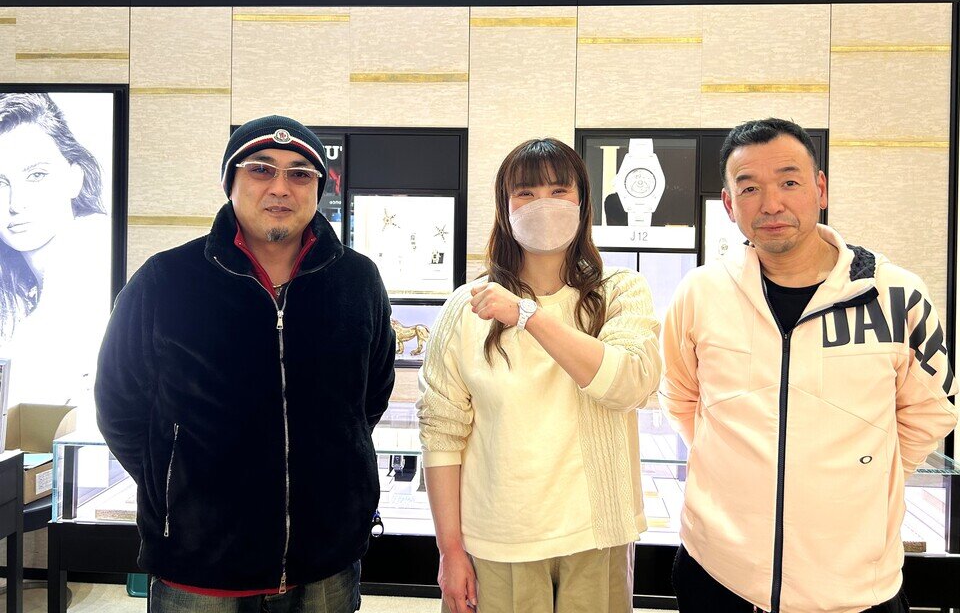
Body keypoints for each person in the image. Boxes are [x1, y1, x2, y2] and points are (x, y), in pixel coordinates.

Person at [95, 114, 395, 613]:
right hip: (199, 563)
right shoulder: (167, 280)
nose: (280, 187)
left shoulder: (357, 281)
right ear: (229, 182)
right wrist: (177, 490)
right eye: (261, 169)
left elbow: (370, 396)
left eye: (300, 174)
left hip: (326, 559)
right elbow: (119, 405)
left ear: (318, 189)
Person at [659, 118, 958, 613]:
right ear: (729, 204)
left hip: (854, 586)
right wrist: (737, 470)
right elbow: (680, 397)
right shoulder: (700, 293)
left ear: (820, 188)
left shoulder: (895, 293)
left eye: (789, 182)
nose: (771, 204)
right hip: (719, 573)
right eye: (749, 188)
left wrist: (863, 477)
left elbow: (931, 411)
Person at [417, 138, 662, 613]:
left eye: (558, 190)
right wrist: (450, 551)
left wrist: (528, 315)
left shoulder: (620, 291)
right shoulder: (468, 307)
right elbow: (441, 433)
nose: (543, 204)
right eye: (525, 193)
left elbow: (628, 384)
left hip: (597, 535)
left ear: (583, 202)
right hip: (499, 540)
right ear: (504, 208)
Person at [0, 92, 110, 406]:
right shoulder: (19, 283)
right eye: (1, 182)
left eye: (36, 175)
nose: (16, 203)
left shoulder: (90, 243)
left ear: (75, 178)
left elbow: (28, 399)